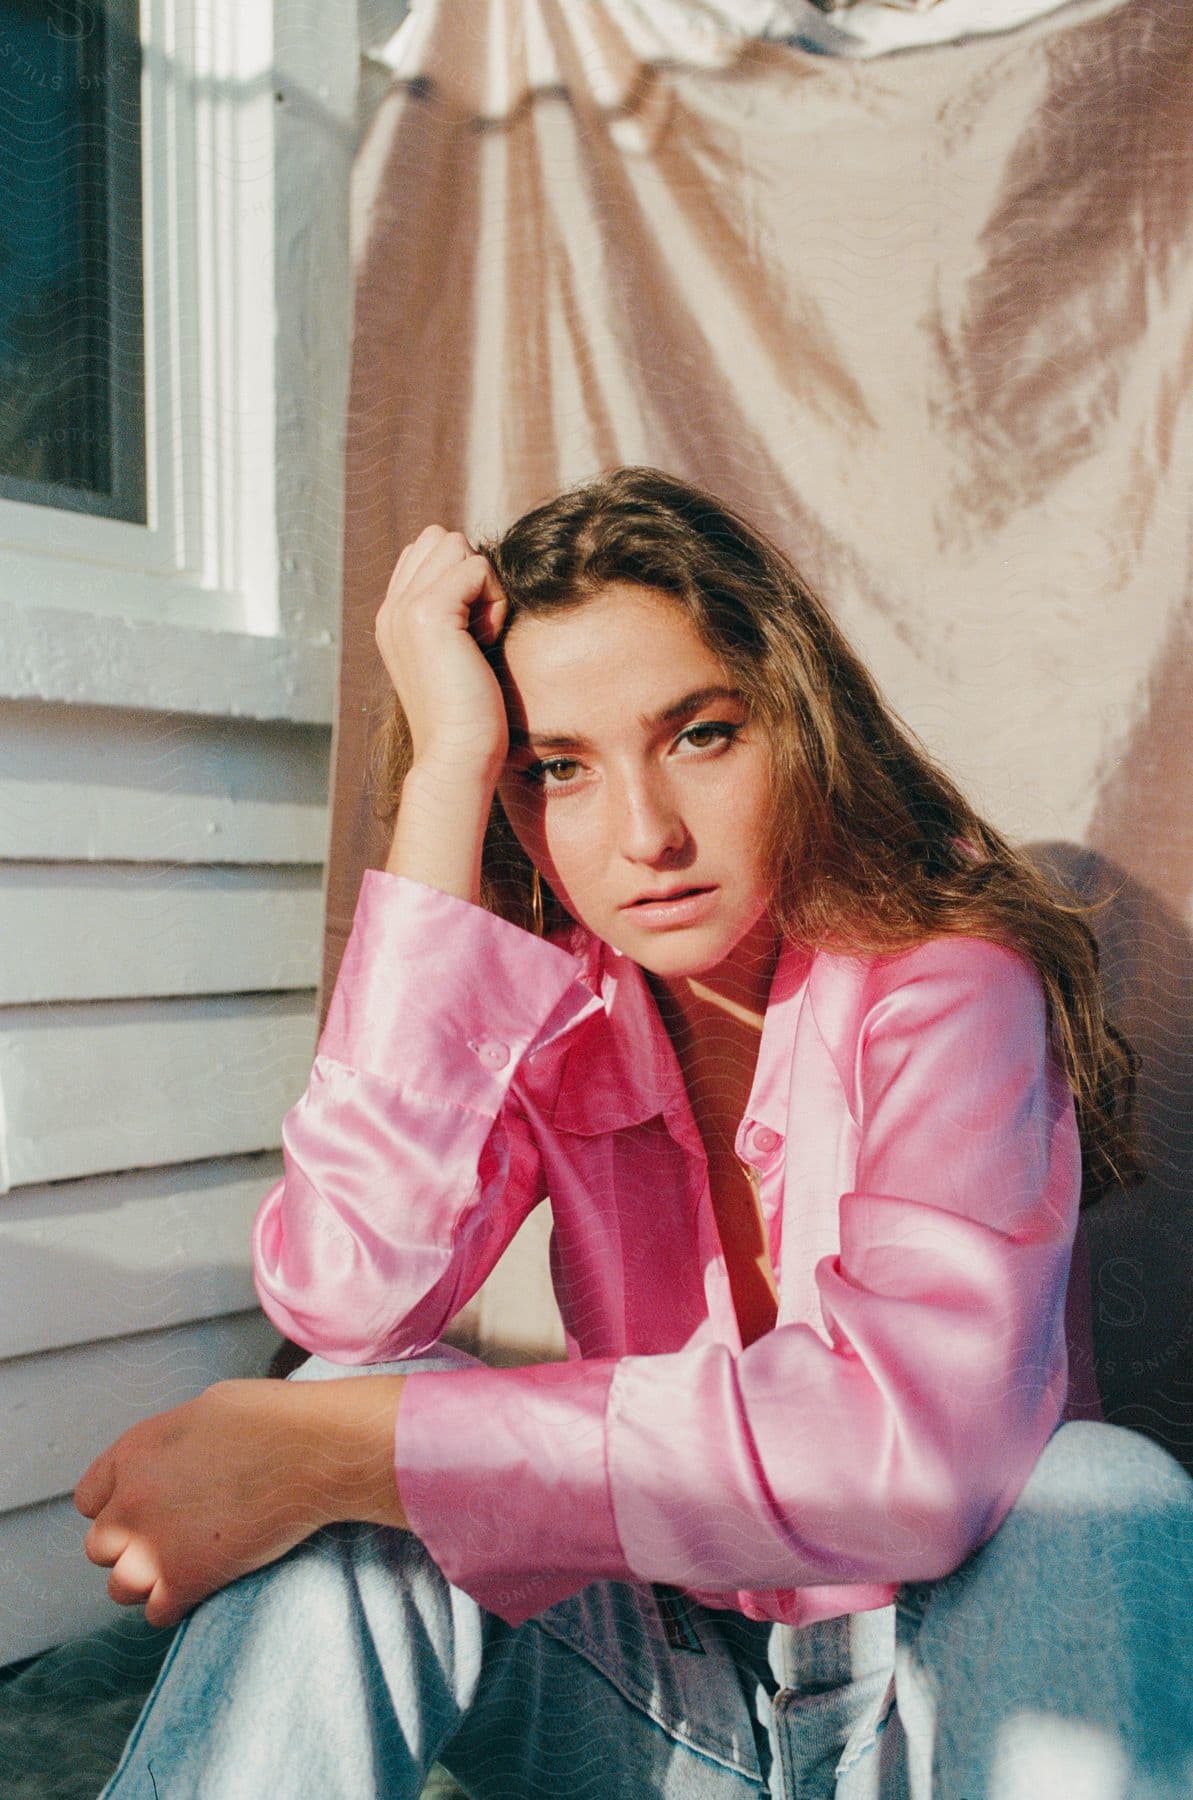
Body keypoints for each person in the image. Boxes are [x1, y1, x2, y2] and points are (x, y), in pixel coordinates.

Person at [78, 468, 1193, 1798]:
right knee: (348, 1432)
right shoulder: (559, 1000)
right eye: (557, 768)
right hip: (670, 1709)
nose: (647, 835)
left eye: (700, 734)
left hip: (955, 1703)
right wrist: (443, 775)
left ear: (795, 725)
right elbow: (348, 1298)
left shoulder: (950, 979)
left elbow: (913, 1452)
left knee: (1100, 1494)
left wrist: (353, 1447)